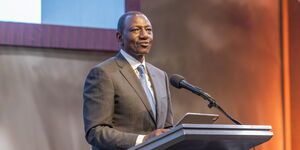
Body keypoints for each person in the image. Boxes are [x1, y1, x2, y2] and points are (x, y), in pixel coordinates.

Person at [83, 11, 173, 150]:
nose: (144, 35)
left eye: (148, 30)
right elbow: (95, 132)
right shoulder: (103, 73)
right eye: (136, 30)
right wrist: (143, 139)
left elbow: (166, 127)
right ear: (120, 37)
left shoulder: (161, 76)